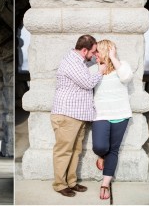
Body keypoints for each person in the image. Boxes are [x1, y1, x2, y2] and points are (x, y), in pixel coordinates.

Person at [50, 35, 107, 197]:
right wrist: (101, 71)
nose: (95, 55)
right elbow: (88, 83)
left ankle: (71, 182)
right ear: (84, 50)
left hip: (77, 115)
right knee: (64, 151)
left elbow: (86, 66)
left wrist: (96, 61)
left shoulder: (79, 62)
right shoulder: (71, 62)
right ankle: (60, 184)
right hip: (67, 115)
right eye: (93, 51)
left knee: (75, 151)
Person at [91, 40, 133, 200]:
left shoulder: (122, 65)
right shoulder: (94, 69)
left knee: (114, 150)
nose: (95, 55)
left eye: (97, 52)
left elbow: (127, 77)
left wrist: (113, 57)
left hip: (120, 114)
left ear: (105, 52)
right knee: (100, 146)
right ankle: (101, 156)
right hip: (100, 115)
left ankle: (105, 183)